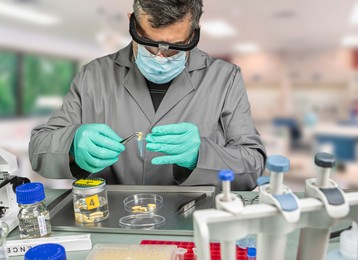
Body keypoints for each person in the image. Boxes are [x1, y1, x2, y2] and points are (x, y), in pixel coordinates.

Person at [29, 0, 267, 191]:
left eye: (175, 47)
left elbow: (252, 166)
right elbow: (39, 150)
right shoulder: (94, 75)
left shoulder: (225, 78)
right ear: (132, 23)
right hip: (111, 219)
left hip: (193, 220)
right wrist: (72, 145)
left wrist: (200, 155)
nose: (160, 57)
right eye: (149, 44)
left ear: (194, 33)